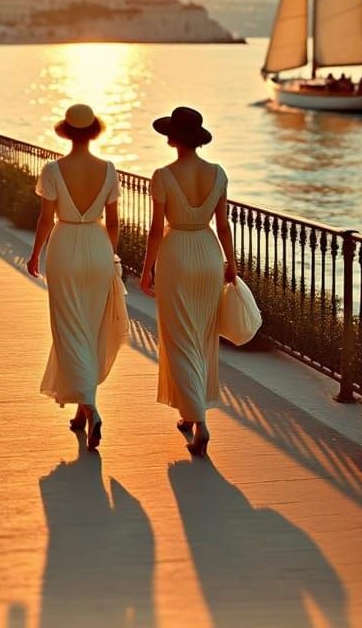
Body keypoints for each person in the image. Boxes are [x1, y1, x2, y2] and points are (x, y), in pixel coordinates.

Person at [26, 104, 129, 451]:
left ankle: (91, 408)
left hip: (66, 244)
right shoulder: (109, 170)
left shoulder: (53, 170)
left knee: (69, 329)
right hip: (98, 247)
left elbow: (45, 220)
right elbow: (114, 223)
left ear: (67, 132)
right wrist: (107, 254)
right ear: (94, 132)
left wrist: (35, 253)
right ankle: (83, 414)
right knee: (90, 327)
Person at [139, 106, 237, 458]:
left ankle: (199, 421)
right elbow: (223, 225)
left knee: (178, 338)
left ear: (172, 138)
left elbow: (154, 231)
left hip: (177, 252)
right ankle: (189, 412)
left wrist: (147, 269)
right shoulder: (218, 173)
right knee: (202, 335)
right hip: (209, 253)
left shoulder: (163, 175)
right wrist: (232, 264)